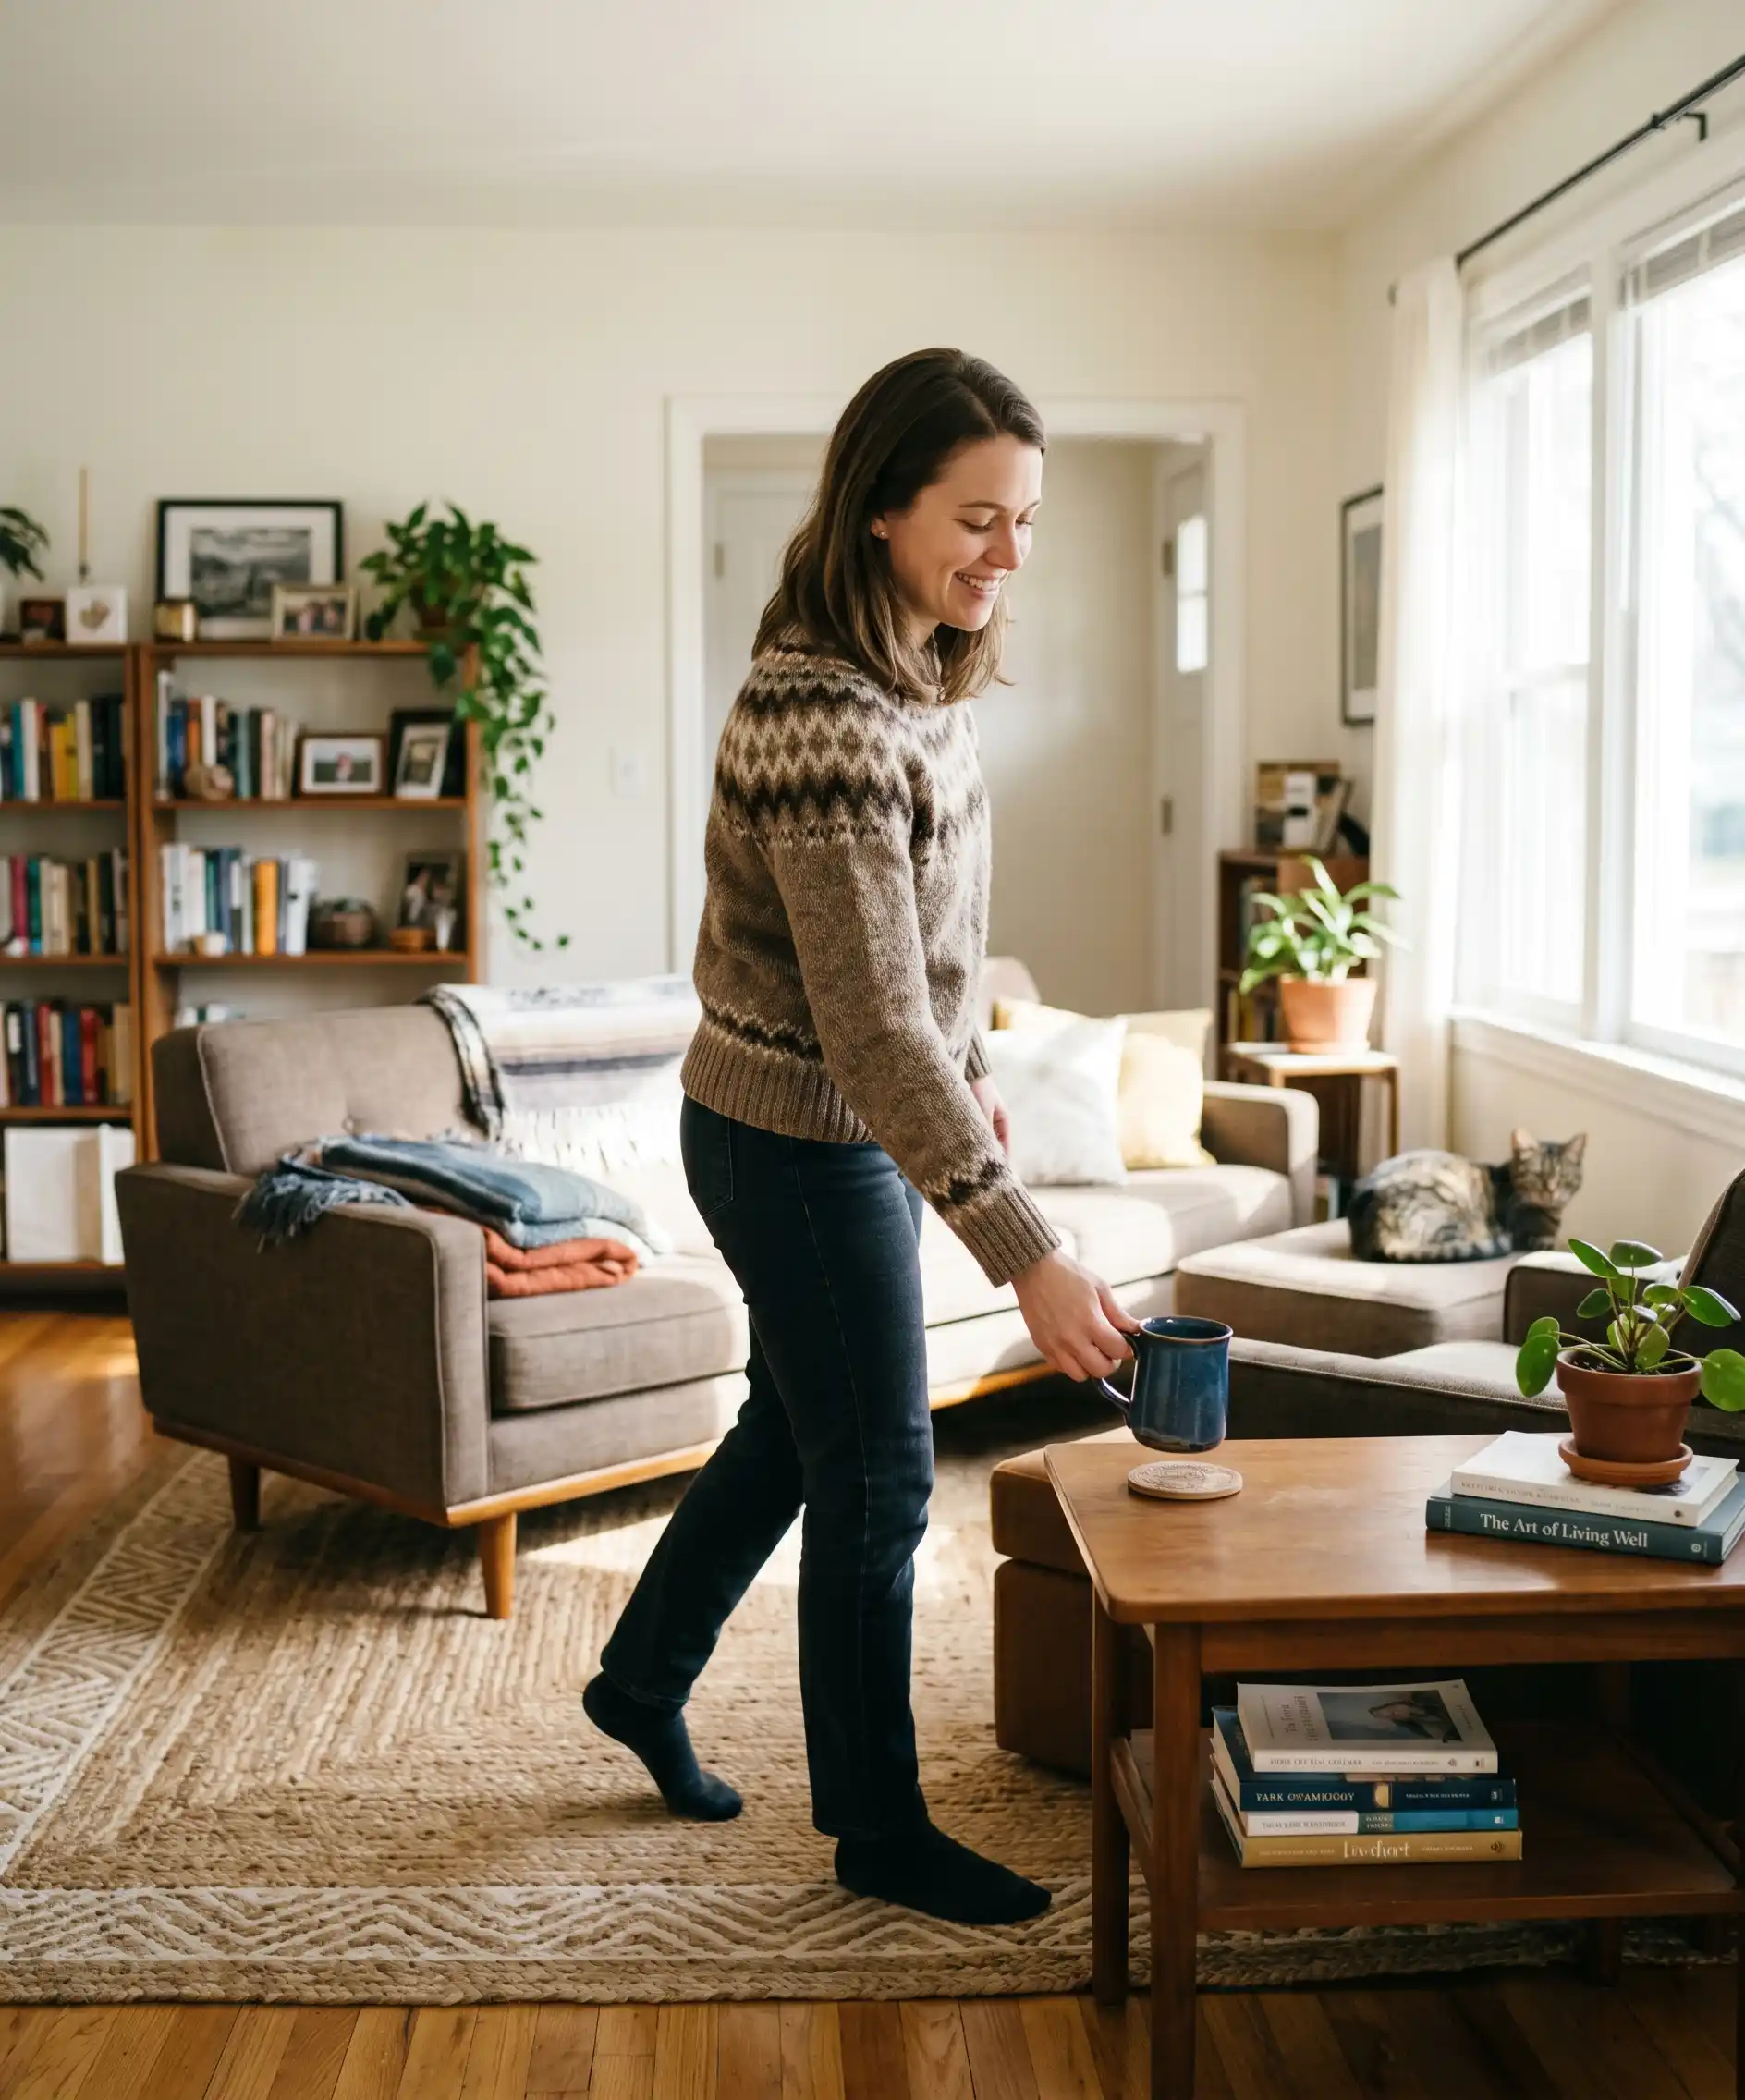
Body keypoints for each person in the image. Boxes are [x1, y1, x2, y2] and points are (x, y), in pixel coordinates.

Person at [584, 348, 1140, 1927]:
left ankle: (640, 1680)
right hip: (786, 1137)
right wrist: (1025, 1246)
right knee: (885, 1477)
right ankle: (878, 1833)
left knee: (797, 1428)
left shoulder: (920, 673)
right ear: (883, 507)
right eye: (978, 517)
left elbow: (928, 971)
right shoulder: (823, 710)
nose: (1007, 555)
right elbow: (870, 1024)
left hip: (841, 1130)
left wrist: (978, 1088)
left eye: (1025, 520)